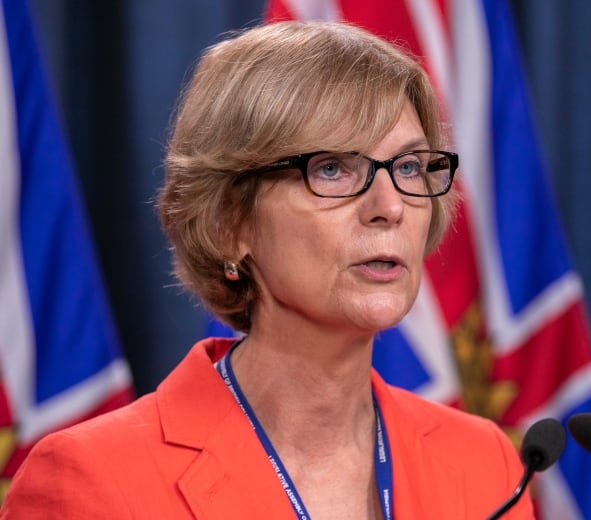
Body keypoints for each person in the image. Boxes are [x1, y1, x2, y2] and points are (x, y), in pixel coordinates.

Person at [1, 21, 535, 519]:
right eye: (331, 168)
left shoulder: (487, 464)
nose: (390, 206)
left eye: (410, 167)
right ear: (231, 221)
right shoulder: (90, 482)